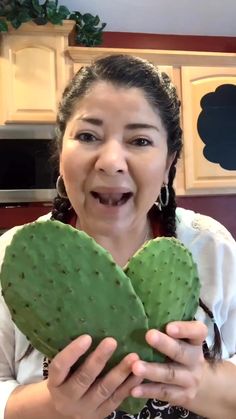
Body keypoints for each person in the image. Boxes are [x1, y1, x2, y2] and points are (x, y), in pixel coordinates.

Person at [0, 54, 236, 419]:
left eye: (140, 140)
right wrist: (54, 405)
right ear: (60, 151)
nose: (111, 161)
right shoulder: (15, 262)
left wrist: (197, 381)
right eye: (88, 135)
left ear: (169, 162)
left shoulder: (211, 249)